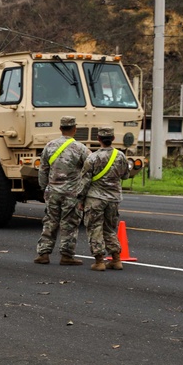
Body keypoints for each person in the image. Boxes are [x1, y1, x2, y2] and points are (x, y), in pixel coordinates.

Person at [34, 116, 89, 265]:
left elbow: (43, 169)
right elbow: (90, 168)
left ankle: (43, 253)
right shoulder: (80, 148)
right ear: (75, 129)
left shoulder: (50, 146)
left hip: (52, 191)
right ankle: (66, 255)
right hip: (72, 193)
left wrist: (44, 187)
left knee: (50, 221)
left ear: (60, 129)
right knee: (69, 224)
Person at [79, 126, 131, 271]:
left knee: (95, 228)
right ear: (113, 139)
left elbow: (85, 181)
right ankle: (116, 259)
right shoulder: (120, 156)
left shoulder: (93, 157)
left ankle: (99, 261)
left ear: (98, 139)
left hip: (95, 198)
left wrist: (80, 200)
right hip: (113, 198)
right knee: (109, 229)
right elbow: (125, 175)